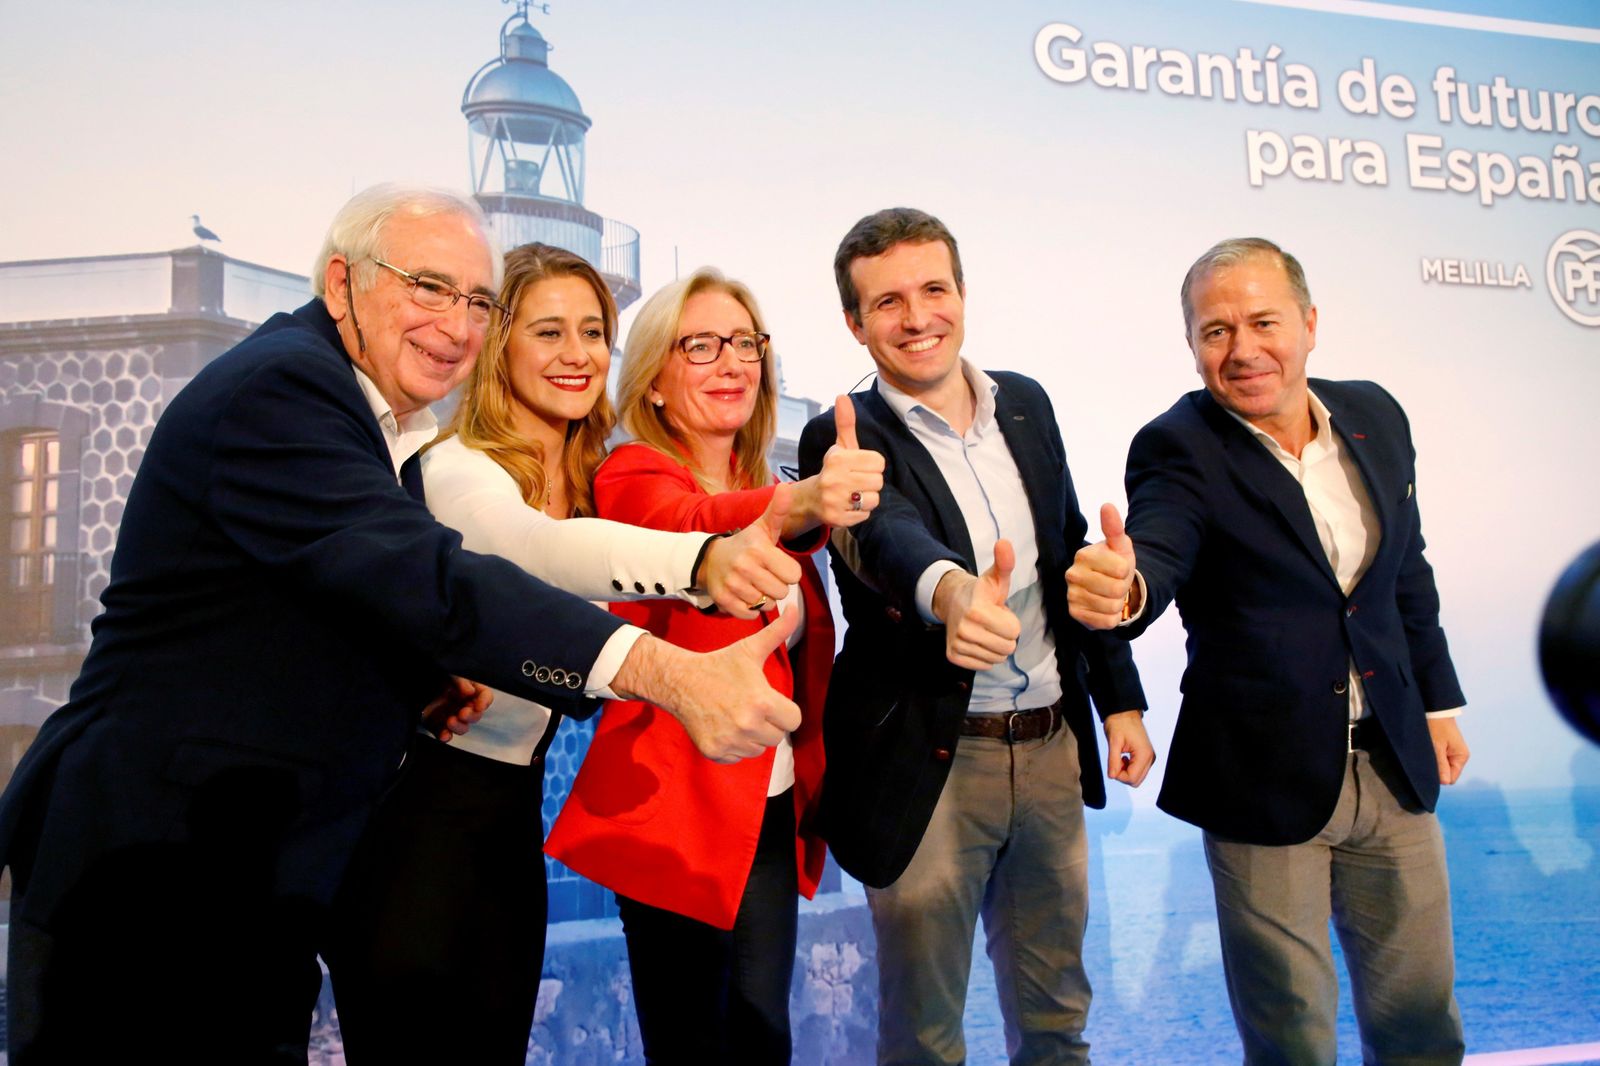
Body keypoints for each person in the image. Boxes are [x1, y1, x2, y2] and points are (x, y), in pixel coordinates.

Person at [0, 186, 803, 1065]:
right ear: (342, 283)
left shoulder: (378, 420)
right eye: (427, 288)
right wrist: (681, 636)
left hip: (257, 867)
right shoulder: (287, 387)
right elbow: (439, 573)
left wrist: (415, 670)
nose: (455, 325)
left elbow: (335, 585)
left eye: (475, 301)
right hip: (155, 867)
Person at [327, 243, 807, 1063]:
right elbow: (540, 550)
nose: (577, 354)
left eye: (593, 332)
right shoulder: (454, 468)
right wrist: (706, 564)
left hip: (505, 807)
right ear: (497, 342)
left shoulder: (594, 482)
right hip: (411, 808)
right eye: (549, 332)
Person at [1067, 237, 1470, 1065]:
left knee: (1423, 1027)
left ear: (1310, 324)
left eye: (1263, 322)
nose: (1243, 349)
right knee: (1291, 1040)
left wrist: (1437, 701)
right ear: (1192, 346)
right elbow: (1160, 549)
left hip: (1392, 761)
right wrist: (1126, 588)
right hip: (1263, 778)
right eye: (1215, 331)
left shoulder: (1377, 416)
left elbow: (1406, 573)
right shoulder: (1178, 444)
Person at [797, 207, 1152, 1066]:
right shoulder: (838, 437)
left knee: (1057, 1021)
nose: (917, 318)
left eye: (933, 289)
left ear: (962, 293)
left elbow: (1071, 552)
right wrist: (952, 595)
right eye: (888, 302)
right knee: (923, 1037)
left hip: (1051, 748)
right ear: (855, 322)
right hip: (927, 761)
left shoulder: (1025, 405)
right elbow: (889, 538)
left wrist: (1122, 705)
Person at [545, 267, 884, 1064]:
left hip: (766, 810)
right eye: (699, 346)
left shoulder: (769, 480)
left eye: (744, 344)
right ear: (655, 380)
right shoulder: (632, 475)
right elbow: (690, 527)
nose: (730, 362)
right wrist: (796, 511)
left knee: (765, 1039)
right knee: (695, 1045)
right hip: (675, 820)